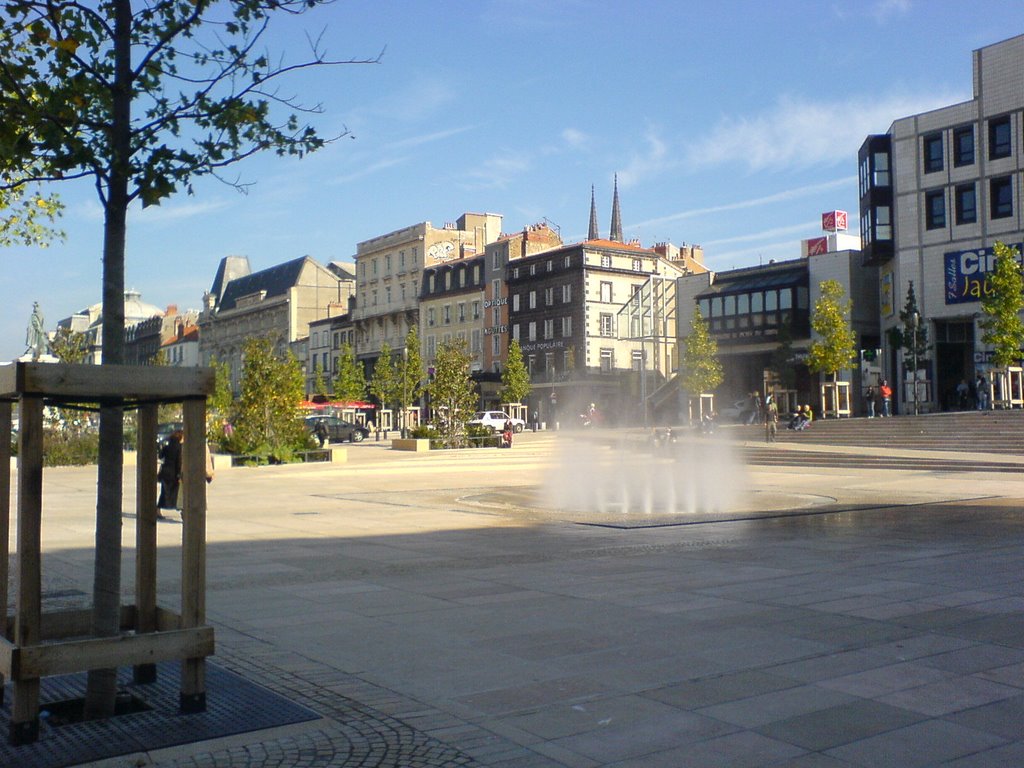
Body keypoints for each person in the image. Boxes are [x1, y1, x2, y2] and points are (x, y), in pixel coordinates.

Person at [156, 430, 183, 519]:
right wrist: (179, 474)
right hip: (173, 474)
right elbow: (179, 462)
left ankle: (157, 509)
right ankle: (181, 509)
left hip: (165, 472)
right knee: (177, 493)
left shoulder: (167, 447)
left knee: (164, 492)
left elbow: (160, 456)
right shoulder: (179, 447)